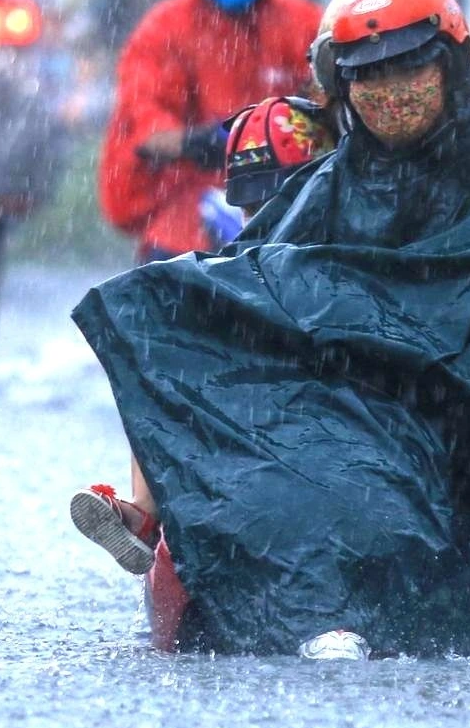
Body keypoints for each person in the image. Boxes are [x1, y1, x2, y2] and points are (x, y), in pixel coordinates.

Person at [72, 0, 470, 658]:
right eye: (369, 78)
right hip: (376, 441)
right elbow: (240, 293)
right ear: (344, 89)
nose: (392, 95)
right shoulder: (324, 189)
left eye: (410, 71)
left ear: (449, 69)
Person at [70, 94, 337, 577]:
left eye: (276, 201)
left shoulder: (353, 247)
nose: (266, 216)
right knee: (156, 354)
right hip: (265, 440)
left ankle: (151, 515)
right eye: (254, 204)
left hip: (322, 441)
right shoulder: (226, 265)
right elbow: (147, 132)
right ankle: (144, 515)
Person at [96, 0, 321, 264]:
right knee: (165, 286)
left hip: (289, 200)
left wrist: (279, 142)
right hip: (189, 201)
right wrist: (203, 142)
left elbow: (334, 104)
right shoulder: (163, 30)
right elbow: (144, 119)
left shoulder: (304, 23)